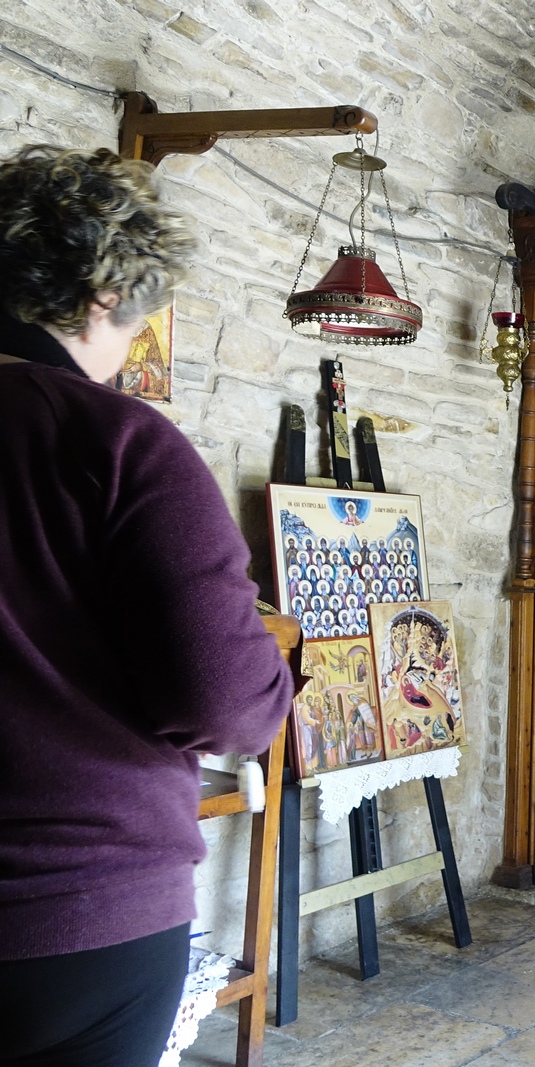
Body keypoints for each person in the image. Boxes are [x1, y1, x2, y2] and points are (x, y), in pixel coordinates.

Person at [0, 145, 294, 1065]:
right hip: (74, 911)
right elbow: (223, 703)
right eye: (136, 319)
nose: (131, 342)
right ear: (101, 294)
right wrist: (278, 675)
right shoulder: (118, 440)